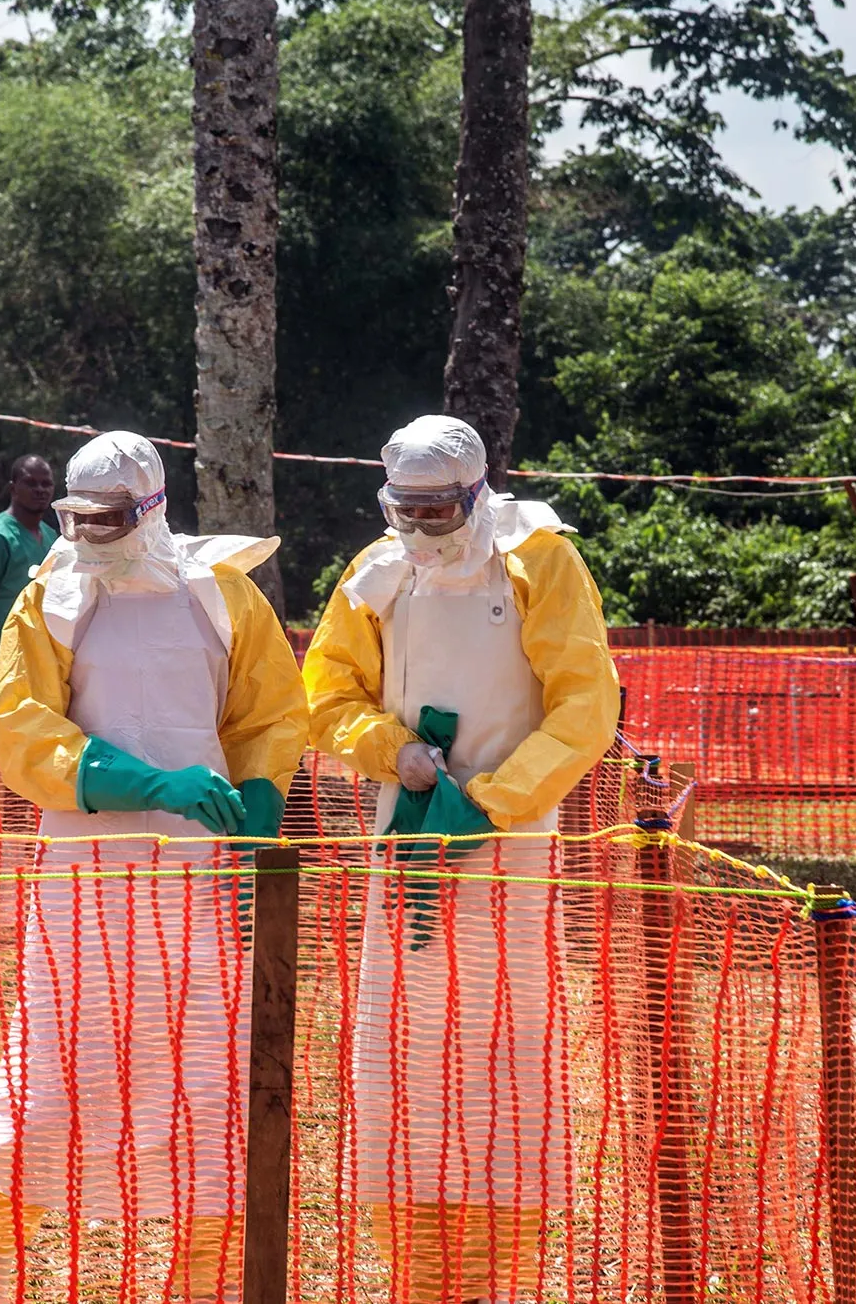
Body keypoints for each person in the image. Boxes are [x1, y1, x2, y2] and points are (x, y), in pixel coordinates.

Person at [0, 432, 306, 1304]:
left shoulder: (222, 594)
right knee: (39, 1101)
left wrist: (255, 804)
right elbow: (23, 734)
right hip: (80, 900)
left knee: (211, 1115)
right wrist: (144, 780)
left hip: (198, 902)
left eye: (110, 518)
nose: (92, 535)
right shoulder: (51, 598)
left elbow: (271, 714)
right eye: (79, 518)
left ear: (151, 508)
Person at [303, 414, 619, 1304]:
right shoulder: (375, 573)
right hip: (403, 842)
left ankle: (500, 1271)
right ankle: (417, 1268)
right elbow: (326, 692)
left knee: (508, 1045)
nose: (424, 528)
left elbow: (586, 704)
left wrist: (494, 801)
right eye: (407, 509)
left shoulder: (541, 561)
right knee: (403, 1048)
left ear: (479, 492)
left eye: (440, 510)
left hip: (511, 854)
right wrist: (388, 750)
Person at [0, 454, 59, 696]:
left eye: (46, 483)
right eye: (31, 483)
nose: (40, 490)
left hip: (41, 675)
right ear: (13, 488)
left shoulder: (53, 539)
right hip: (1, 677)